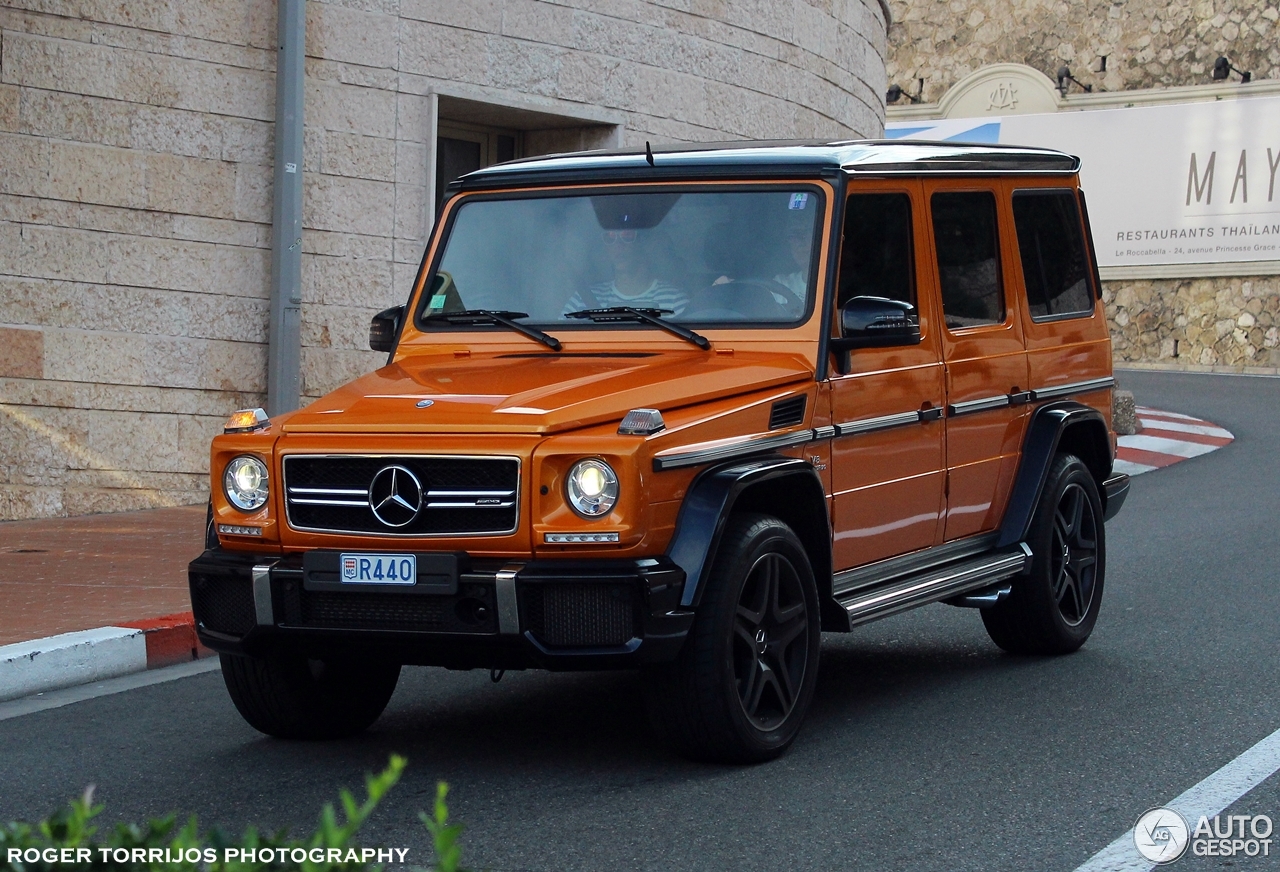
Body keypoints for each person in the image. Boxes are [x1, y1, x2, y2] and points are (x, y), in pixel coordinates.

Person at [562, 228, 688, 317]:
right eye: (610, 238)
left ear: (643, 244)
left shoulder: (674, 300)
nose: (618, 245)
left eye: (627, 236)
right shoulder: (581, 300)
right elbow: (558, 340)